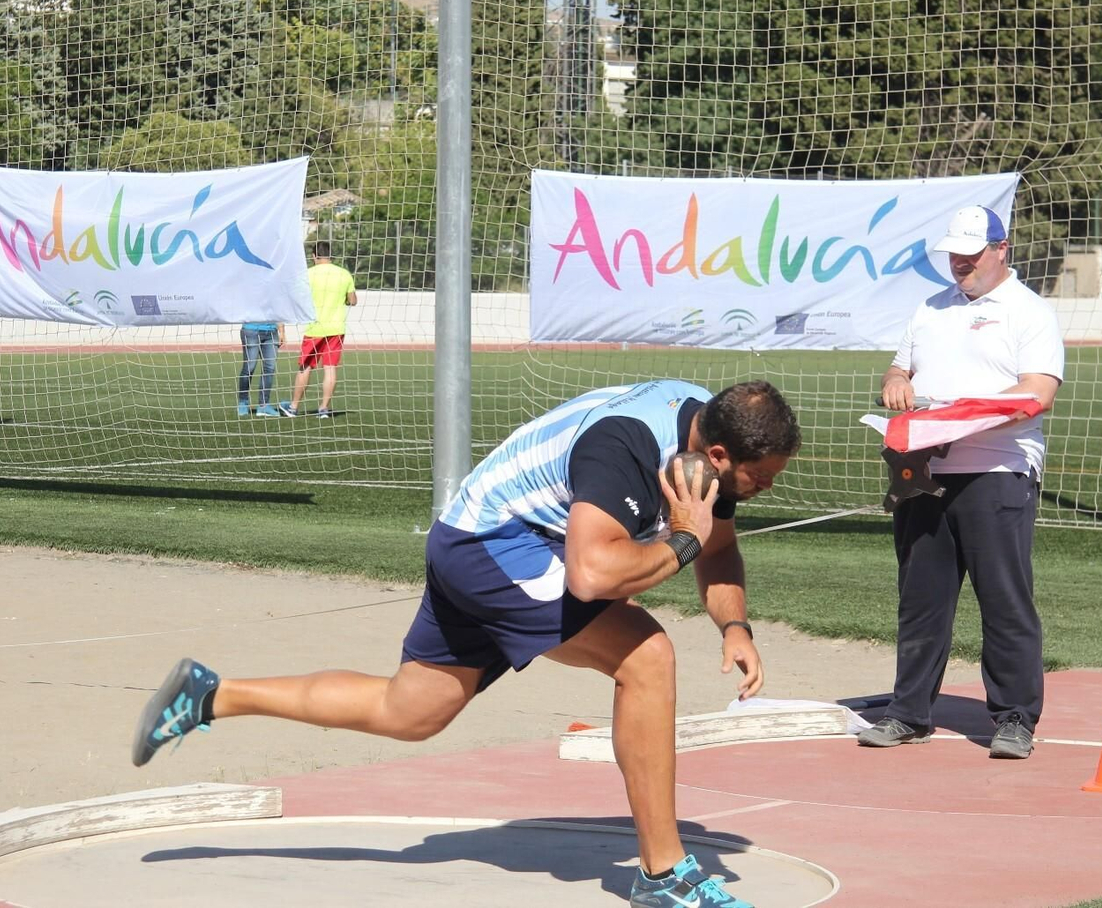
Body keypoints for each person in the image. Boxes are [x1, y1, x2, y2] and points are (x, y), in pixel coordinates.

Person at [132, 379, 802, 908]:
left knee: (410, 711)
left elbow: (718, 545)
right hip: (495, 544)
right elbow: (594, 574)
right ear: (720, 455)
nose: (768, 488)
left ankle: (210, 695)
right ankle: (664, 875)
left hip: (475, 535)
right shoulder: (626, 447)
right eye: (763, 477)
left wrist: (734, 626)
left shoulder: (703, 437)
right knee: (646, 656)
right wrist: (680, 540)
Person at [861, 204, 1063, 761]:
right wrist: (896, 382)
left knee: (1004, 600)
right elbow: (899, 369)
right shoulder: (929, 307)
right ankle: (908, 713)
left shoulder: (1029, 311)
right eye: (954, 253)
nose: (960, 263)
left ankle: (1015, 718)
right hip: (925, 469)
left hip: (998, 470)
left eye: (971, 254)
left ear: (1001, 249)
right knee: (920, 599)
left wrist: (957, 418)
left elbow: (1038, 392)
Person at [280, 241, 356, 418]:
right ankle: (323, 409)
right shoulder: (344, 274)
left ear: (314, 256)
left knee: (305, 367)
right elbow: (352, 300)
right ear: (330, 255)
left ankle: (293, 407)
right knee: (330, 368)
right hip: (336, 328)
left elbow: (295, 297)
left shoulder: (307, 274)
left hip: (315, 328)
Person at [236, 320, 283, 417]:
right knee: (249, 368)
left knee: (270, 368)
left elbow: (278, 312)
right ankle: (243, 402)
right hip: (251, 331)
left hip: (271, 332)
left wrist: (282, 330)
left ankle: (263, 405)